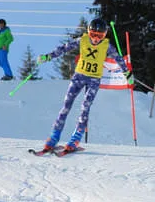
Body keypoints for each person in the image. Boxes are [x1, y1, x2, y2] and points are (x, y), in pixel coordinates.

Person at [37, 18, 132, 152]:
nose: (95, 39)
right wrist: (48, 56)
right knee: (66, 105)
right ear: (88, 32)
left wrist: (127, 73)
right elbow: (64, 48)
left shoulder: (106, 46)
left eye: (100, 36)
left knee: (85, 107)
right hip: (79, 77)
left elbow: (119, 59)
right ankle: (54, 137)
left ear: (104, 35)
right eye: (93, 35)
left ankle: (75, 139)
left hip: (94, 80)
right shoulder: (82, 40)